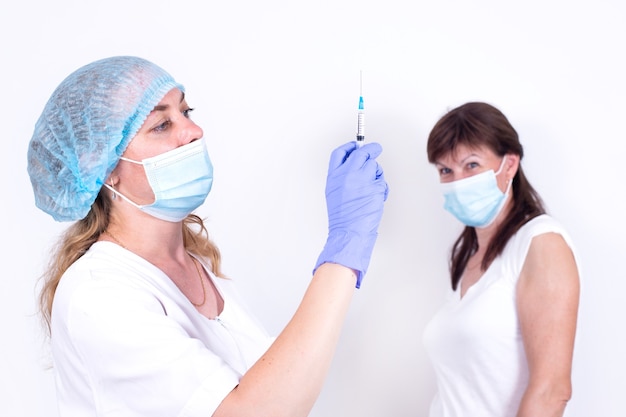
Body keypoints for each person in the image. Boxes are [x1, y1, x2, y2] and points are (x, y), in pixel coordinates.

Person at [27, 56, 388, 417]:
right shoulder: (98, 294)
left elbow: (277, 386)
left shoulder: (198, 266)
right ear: (104, 168)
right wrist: (345, 245)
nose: (193, 131)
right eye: (161, 124)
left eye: (187, 112)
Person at [422, 102, 580, 417]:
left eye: (471, 165)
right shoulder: (466, 254)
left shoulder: (540, 244)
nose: (457, 182)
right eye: (445, 170)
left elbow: (551, 391)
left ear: (509, 165)